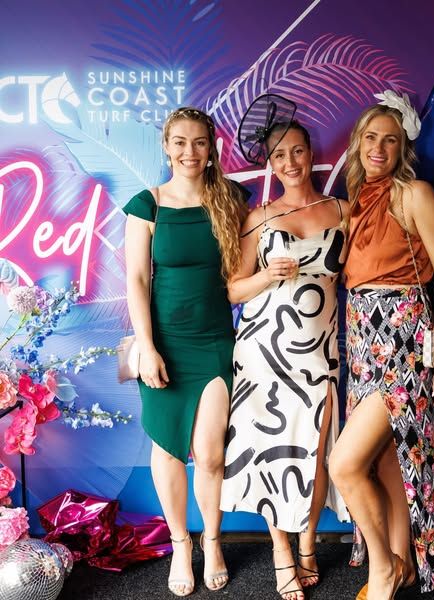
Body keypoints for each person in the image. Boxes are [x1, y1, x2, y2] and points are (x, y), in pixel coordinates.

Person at [329, 91, 434, 599]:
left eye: (390, 140)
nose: (378, 148)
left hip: (402, 340)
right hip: (363, 340)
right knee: (388, 461)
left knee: (345, 464)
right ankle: (401, 565)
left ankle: (382, 569)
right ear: (357, 142)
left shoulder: (414, 194)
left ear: (403, 148)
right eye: (370, 137)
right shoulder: (354, 202)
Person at [221, 119, 350, 600]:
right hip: (263, 352)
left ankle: (309, 544)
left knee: (315, 453)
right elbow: (234, 288)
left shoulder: (343, 210)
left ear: (311, 154)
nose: (290, 162)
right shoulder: (258, 217)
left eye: (297, 151)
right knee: (269, 453)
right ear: (270, 164)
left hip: (319, 351)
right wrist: (267, 275)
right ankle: (281, 550)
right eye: (279, 155)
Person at [123, 107, 247, 597]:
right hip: (164, 344)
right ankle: (181, 543)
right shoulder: (147, 204)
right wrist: (147, 347)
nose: (189, 152)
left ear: (211, 148)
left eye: (199, 142)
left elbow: (243, 270)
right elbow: (136, 280)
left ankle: (212, 541)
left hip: (215, 339)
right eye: (180, 142)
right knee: (168, 447)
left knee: (211, 452)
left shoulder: (232, 199)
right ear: (166, 146)